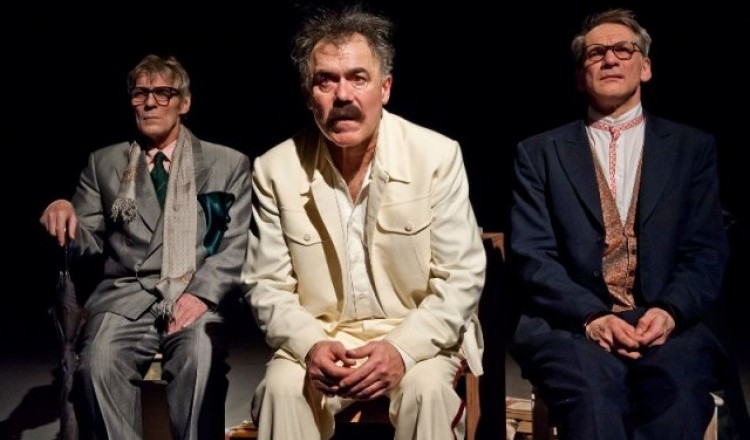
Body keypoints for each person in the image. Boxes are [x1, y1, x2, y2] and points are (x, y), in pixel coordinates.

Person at [241, 5, 486, 440]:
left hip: (417, 334)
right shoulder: (275, 169)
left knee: (427, 393)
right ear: (308, 95)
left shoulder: (436, 156)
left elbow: (461, 278)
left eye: (358, 78)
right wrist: (310, 345)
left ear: (385, 88)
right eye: (326, 80)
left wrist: (401, 349)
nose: (342, 95)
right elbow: (266, 285)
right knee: (280, 391)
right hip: (323, 337)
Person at [508, 8, 732, 440]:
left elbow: (705, 251)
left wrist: (669, 311)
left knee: (677, 395)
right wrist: (591, 316)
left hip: (668, 323)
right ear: (581, 76)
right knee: (592, 401)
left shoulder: (691, 148)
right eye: (596, 53)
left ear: (645, 67)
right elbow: (533, 257)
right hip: (573, 326)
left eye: (623, 50)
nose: (609, 59)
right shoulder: (539, 153)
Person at [39, 54, 253, 439]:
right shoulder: (105, 163)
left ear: (184, 103)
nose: (150, 103)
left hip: (192, 293)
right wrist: (64, 214)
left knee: (200, 359)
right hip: (125, 297)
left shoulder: (227, 163)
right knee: (97, 366)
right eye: (140, 94)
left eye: (162, 93)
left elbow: (235, 244)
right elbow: (86, 241)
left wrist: (201, 295)